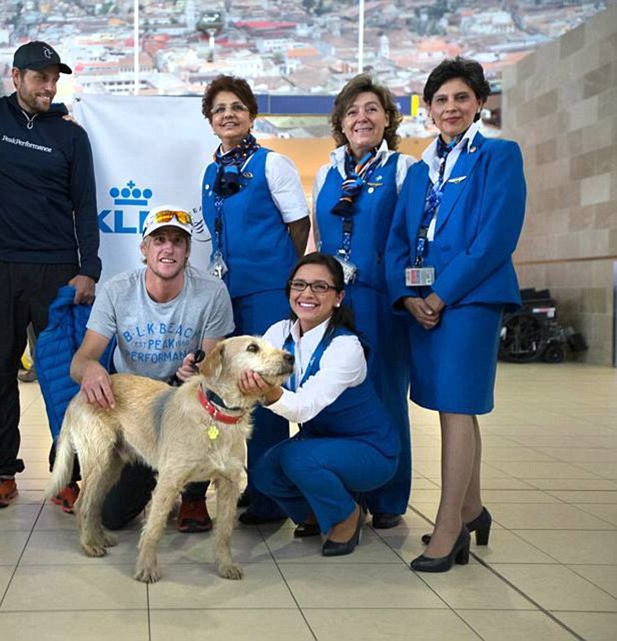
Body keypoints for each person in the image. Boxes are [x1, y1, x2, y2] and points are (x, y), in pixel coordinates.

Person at [385, 57, 526, 572]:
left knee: (457, 407)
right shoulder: (421, 170)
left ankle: (450, 529)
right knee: (455, 406)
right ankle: (472, 508)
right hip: (422, 303)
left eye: (461, 98)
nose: (450, 108)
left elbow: (495, 238)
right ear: (429, 109)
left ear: (480, 103)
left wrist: (441, 295)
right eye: (441, 100)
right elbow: (400, 240)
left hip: (470, 301)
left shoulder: (499, 157)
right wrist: (408, 295)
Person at [0, 41, 100, 508]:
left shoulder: (71, 136)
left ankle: (69, 475)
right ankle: (1, 471)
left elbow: (86, 206)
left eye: (54, 77)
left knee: (62, 376)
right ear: (15, 76)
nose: (49, 85)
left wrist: (88, 269)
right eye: (40, 76)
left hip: (57, 268)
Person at [70, 206, 235, 531]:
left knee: (208, 403)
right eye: (159, 239)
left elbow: (213, 366)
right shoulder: (118, 290)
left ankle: (192, 495)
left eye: (177, 240)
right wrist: (90, 368)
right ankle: (151, 479)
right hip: (129, 409)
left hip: (179, 407)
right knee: (109, 514)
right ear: (144, 249)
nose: (168, 248)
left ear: (188, 250)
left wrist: (197, 374)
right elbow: (81, 360)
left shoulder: (213, 292)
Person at [199, 75, 311, 523]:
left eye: (237, 107)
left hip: (266, 291)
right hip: (227, 293)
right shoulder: (211, 173)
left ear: (251, 115)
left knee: (264, 390)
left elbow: (298, 225)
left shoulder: (272, 164)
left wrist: (283, 277)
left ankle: (270, 496)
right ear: (210, 121)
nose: (228, 114)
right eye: (219, 108)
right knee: (233, 393)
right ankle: (251, 481)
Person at [242, 253, 400, 557]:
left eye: (320, 287)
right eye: (299, 284)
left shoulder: (345, 346)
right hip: (320, 442)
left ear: (338, 297)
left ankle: (346, 516)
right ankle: (319, 511)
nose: (307, 294)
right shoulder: (279, 333)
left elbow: (303, 407)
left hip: (371, 450)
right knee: (264, 473)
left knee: (296, 458)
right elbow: (246, 368)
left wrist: (267, 394)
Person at [312, 74, 416, 530]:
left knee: (384, 396)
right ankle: (333, 495)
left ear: (388, 118)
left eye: (372, 109)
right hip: (332, 303)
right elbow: (317, 238)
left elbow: (413, 239)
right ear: (340, 121)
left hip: (379, 300)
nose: (362, 118)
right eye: (352, 111)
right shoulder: (326, 172)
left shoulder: (403, 169)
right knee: (326, 395)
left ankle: (389, 498)